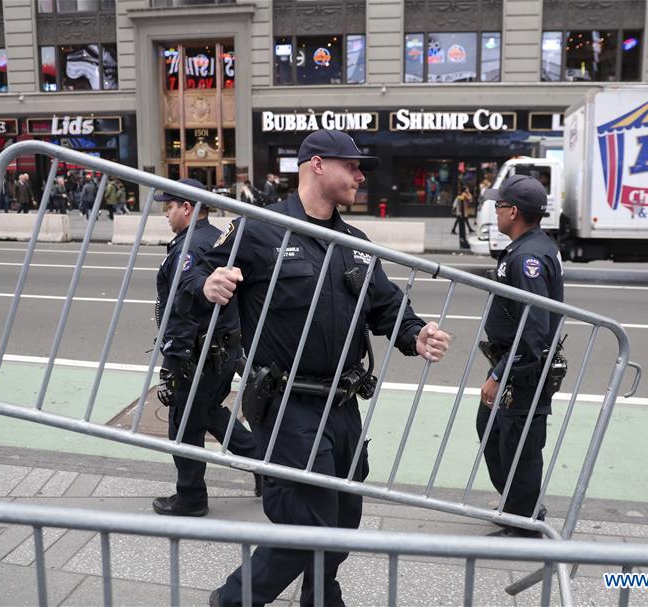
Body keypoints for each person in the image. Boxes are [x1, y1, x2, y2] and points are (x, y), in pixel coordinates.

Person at [180, 129, 452, 607]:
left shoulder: (356, 241)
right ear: (318, 165)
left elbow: (387, 306)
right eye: (353, 166)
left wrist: (415, 333)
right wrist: (208, 285)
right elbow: (193, 268)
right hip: (289, 405)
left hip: (343, 405)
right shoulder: (260, 227)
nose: (361, 176)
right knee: (307, 525)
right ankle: (232, 599)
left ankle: (320, 594)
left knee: (344, 520)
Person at [152, 178, 261, 518]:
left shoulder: (191, 248)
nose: (166, 215)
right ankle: (267, 468)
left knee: (184, 424)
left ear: (188, 208)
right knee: (210, 412)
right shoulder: (216, 238)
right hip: (222, 349)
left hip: (198, 354)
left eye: (169, 207)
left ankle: (191, 497)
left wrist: (171, 361)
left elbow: (186, 309)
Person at [477, 174, 564, 539]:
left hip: (524, 368)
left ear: (513, 211)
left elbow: (534, 331)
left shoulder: (528, 256)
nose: (494, 211)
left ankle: (524, 523)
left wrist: (500, 375)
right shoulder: (527, 246)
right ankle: (518, 506)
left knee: (519, 446)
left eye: (498, 205)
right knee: (492, 430)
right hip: (517, 364)